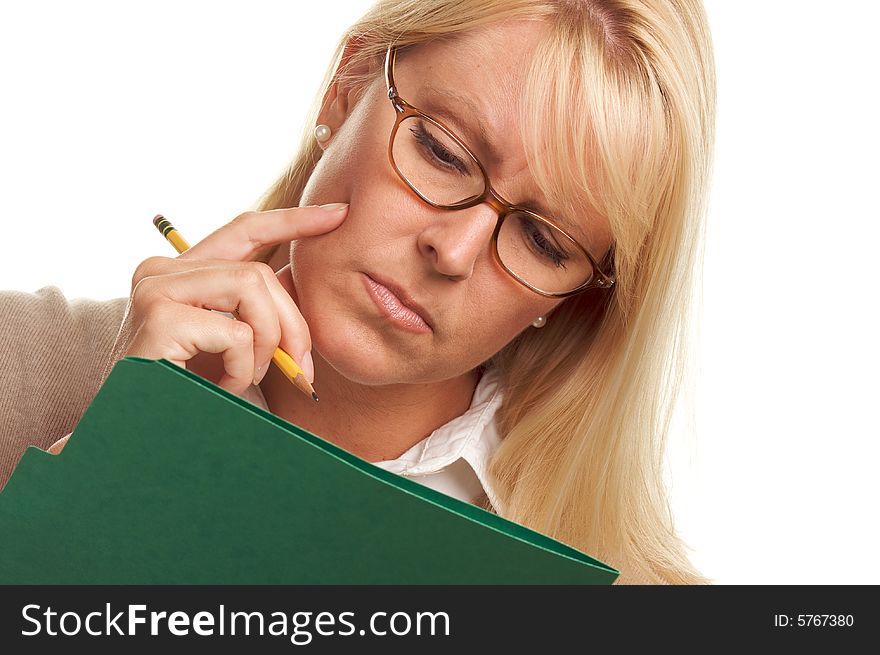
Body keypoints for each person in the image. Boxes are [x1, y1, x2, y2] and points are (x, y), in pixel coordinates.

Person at [0, 0, 716, 585]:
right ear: (349, 87)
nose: (455, 251)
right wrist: (98, 476)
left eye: (543, 241)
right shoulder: (21, 364)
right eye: (441, 150)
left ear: (570, 300)